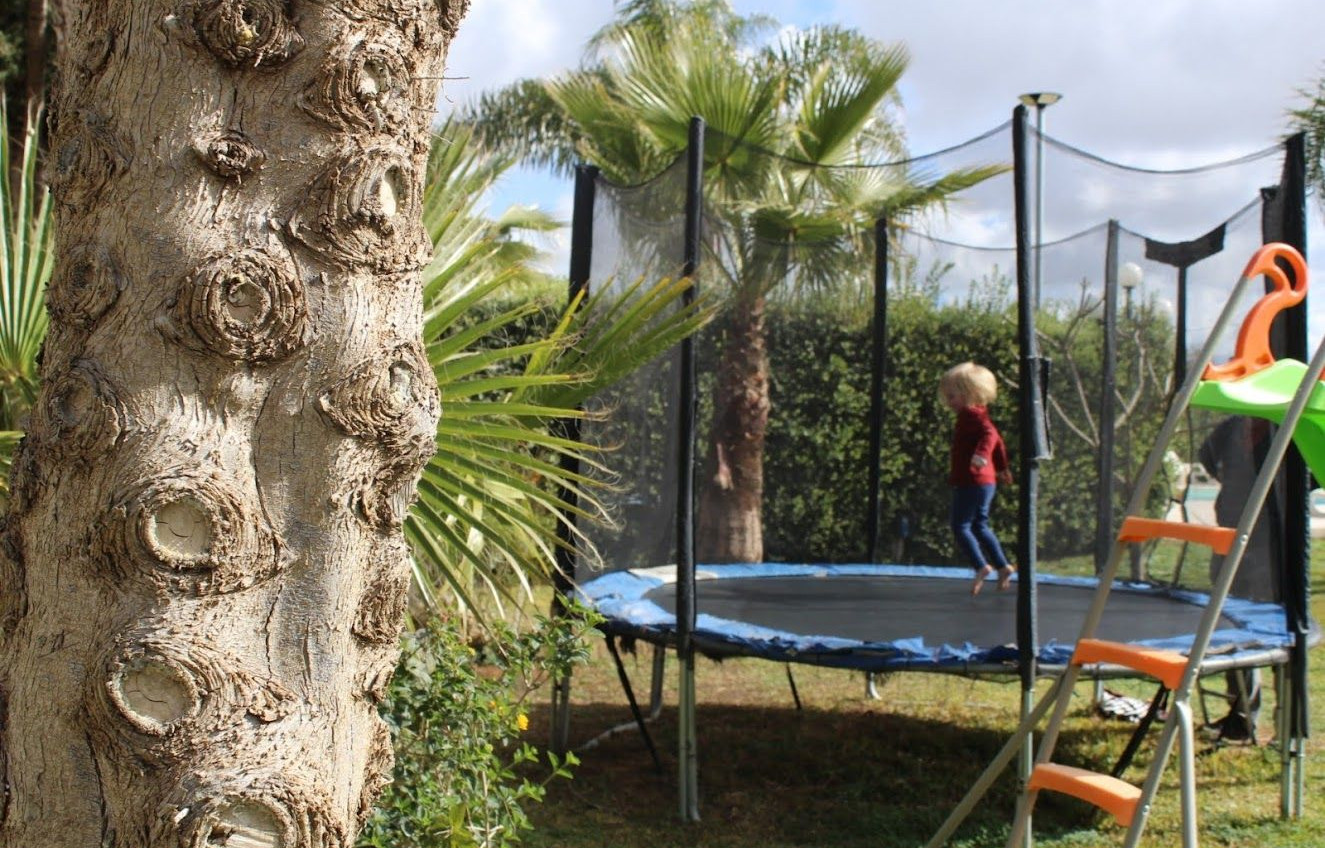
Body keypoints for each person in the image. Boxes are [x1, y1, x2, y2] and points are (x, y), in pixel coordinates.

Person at [1197, 415, 1282, 742]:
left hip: (1274, 550)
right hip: (1230, 544)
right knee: (1233, 629)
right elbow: (1207, 457)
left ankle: (1288, 727)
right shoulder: (1231, 428)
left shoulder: (1288, 429)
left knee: (1281, 636)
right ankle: (1241, 718)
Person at [940, 362, 1016, 596]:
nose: (949, 402)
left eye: (952, 396)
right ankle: (1003, 566)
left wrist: (982, 455)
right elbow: (998, 440)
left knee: (960, 526)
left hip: (971, 481)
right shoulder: (979, 414)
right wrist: (1001, 467)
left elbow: (990, 435)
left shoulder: (971, 415)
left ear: (968, 393)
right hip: (985, 482)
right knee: (979, 525)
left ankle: (981, 565)